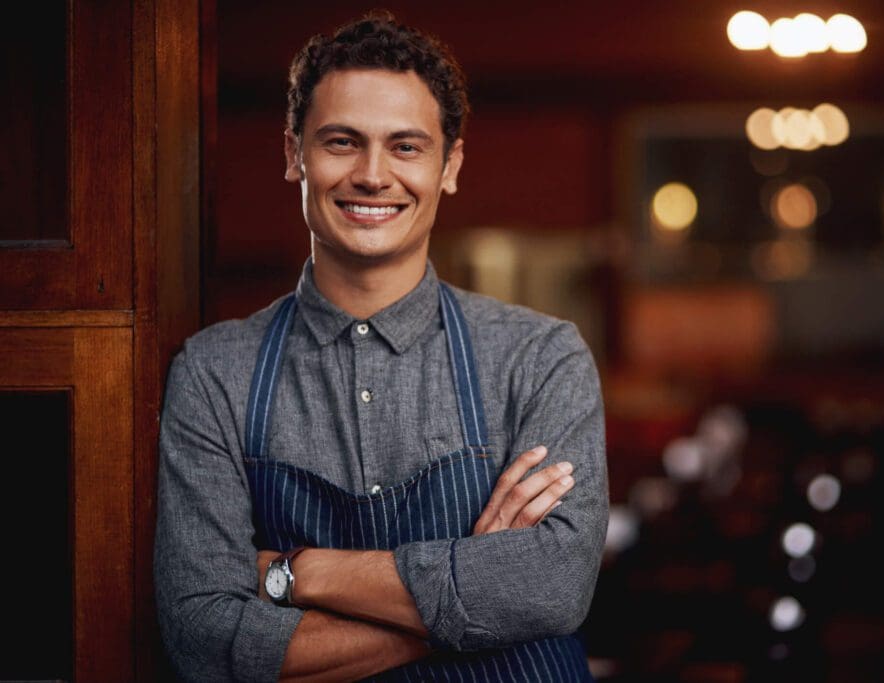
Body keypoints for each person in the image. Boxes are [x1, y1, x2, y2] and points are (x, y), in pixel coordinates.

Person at [155, 11, 608, 682]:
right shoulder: (214, 373)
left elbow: (553, 585)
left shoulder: (541, 358)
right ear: (294, 154)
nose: (372, 175)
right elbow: (206, 639)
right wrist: (473, 592)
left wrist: (299, 572)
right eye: (342, 141)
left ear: (449, 165)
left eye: (406, 147)